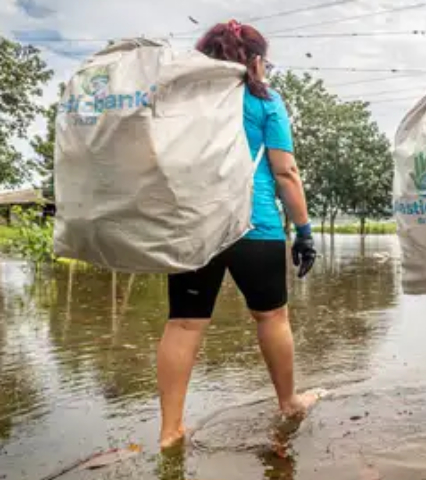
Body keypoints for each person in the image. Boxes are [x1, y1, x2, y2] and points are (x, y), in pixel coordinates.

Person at [156, 20, 320, 449]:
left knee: (184, 324)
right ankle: (288, 403)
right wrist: (304, 231)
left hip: (194, 227)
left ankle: (170, 431)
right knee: (272, 318)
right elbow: (286, 172)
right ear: (257, 61)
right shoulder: (264, 101)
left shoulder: (181, 100)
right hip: (256, 225)